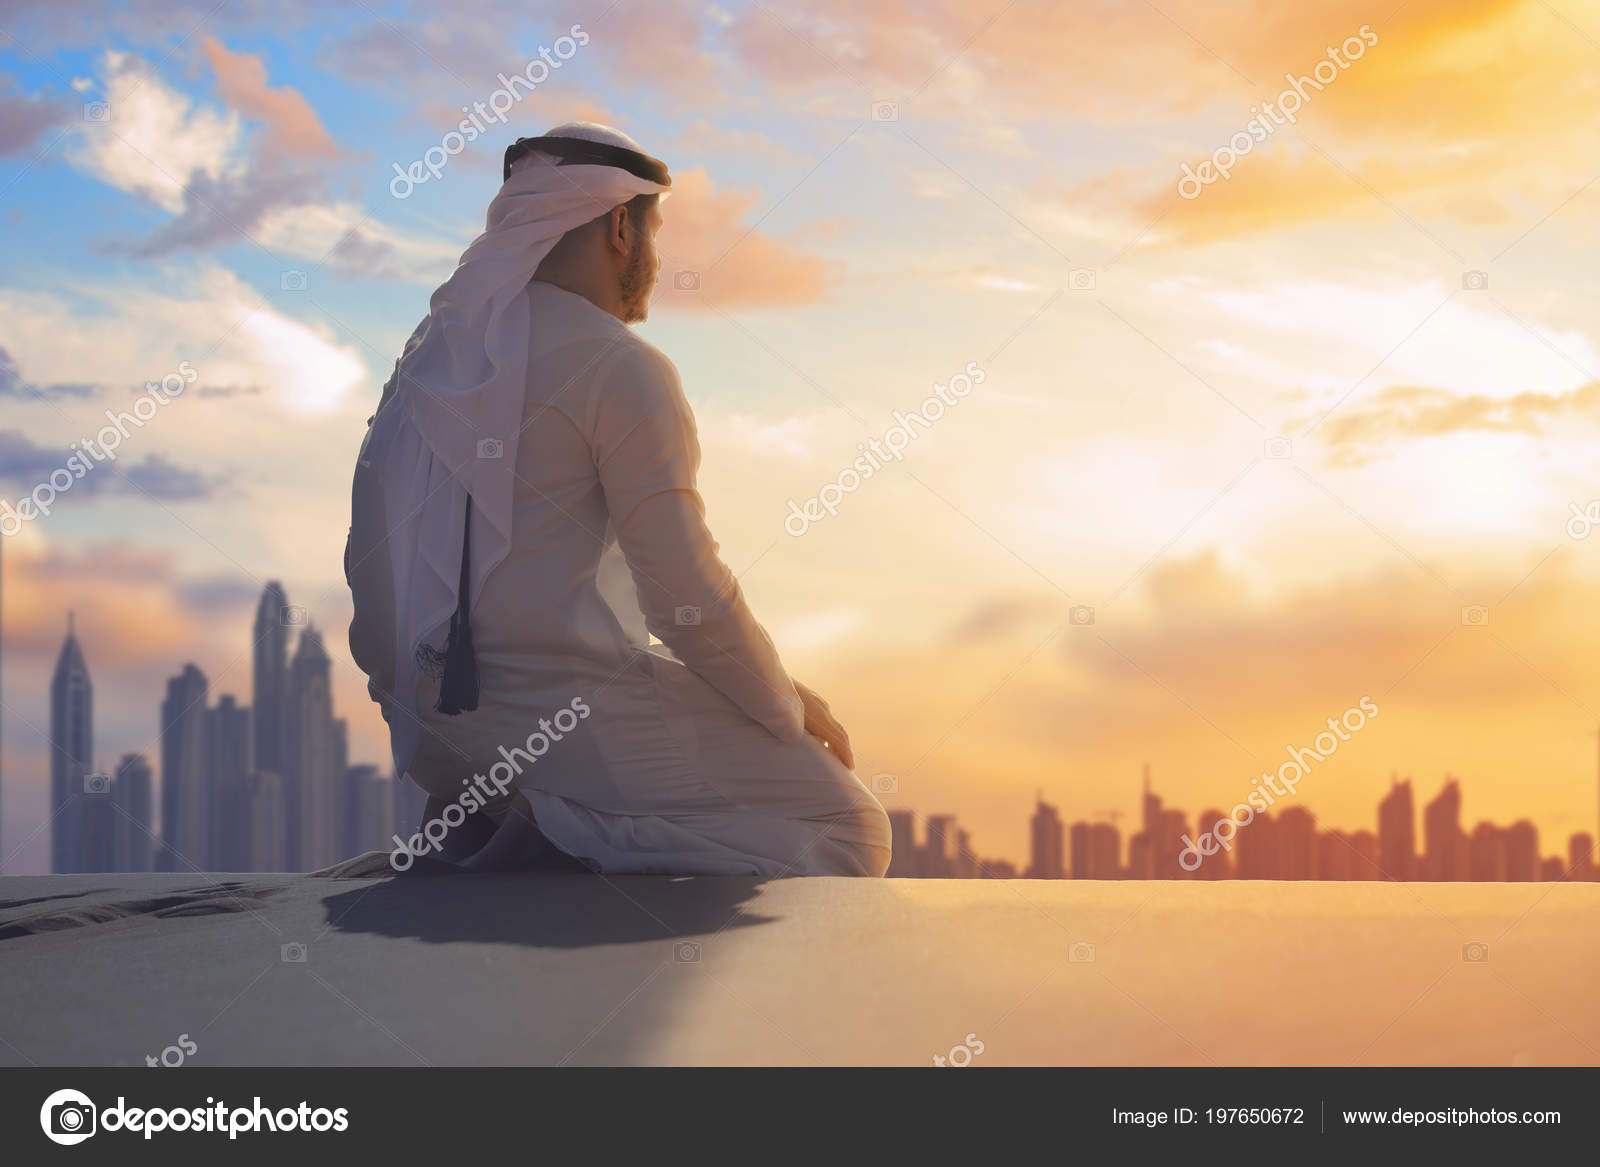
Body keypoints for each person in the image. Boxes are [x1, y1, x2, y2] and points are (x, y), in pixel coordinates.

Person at [346, 123, 890, 877]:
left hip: (429, 735)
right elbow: (684, 597)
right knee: (847, 826)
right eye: (654, 233)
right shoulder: (621, 365)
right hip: (559, 721)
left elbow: (367, 571)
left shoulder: (425, 364)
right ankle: (548, 833)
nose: (657, 263)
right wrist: (781, 708)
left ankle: (518, 815)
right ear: (621, 225)